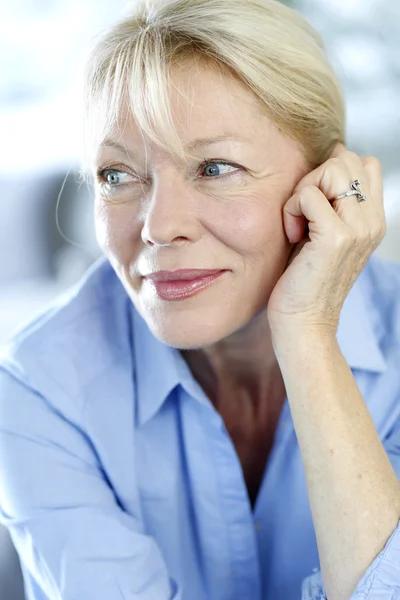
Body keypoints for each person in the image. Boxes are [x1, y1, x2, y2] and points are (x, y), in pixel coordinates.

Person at [1, 0, 400, 598]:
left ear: (326, 180)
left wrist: (308, 331)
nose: (159, 226)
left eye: (215, 167)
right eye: (116, 175)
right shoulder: (37, 388)